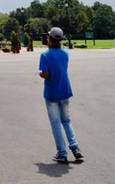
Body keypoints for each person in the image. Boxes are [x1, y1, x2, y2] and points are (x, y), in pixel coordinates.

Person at [39, 27, 83, 164]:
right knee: (67, 121)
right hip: (64, 90)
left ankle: (62, 153)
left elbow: (46, 74)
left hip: (52, 93)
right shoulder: (65, 53)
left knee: (56, 123)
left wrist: (40, 74)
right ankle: (75, 147)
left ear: (50, 39)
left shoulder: (45, 55)